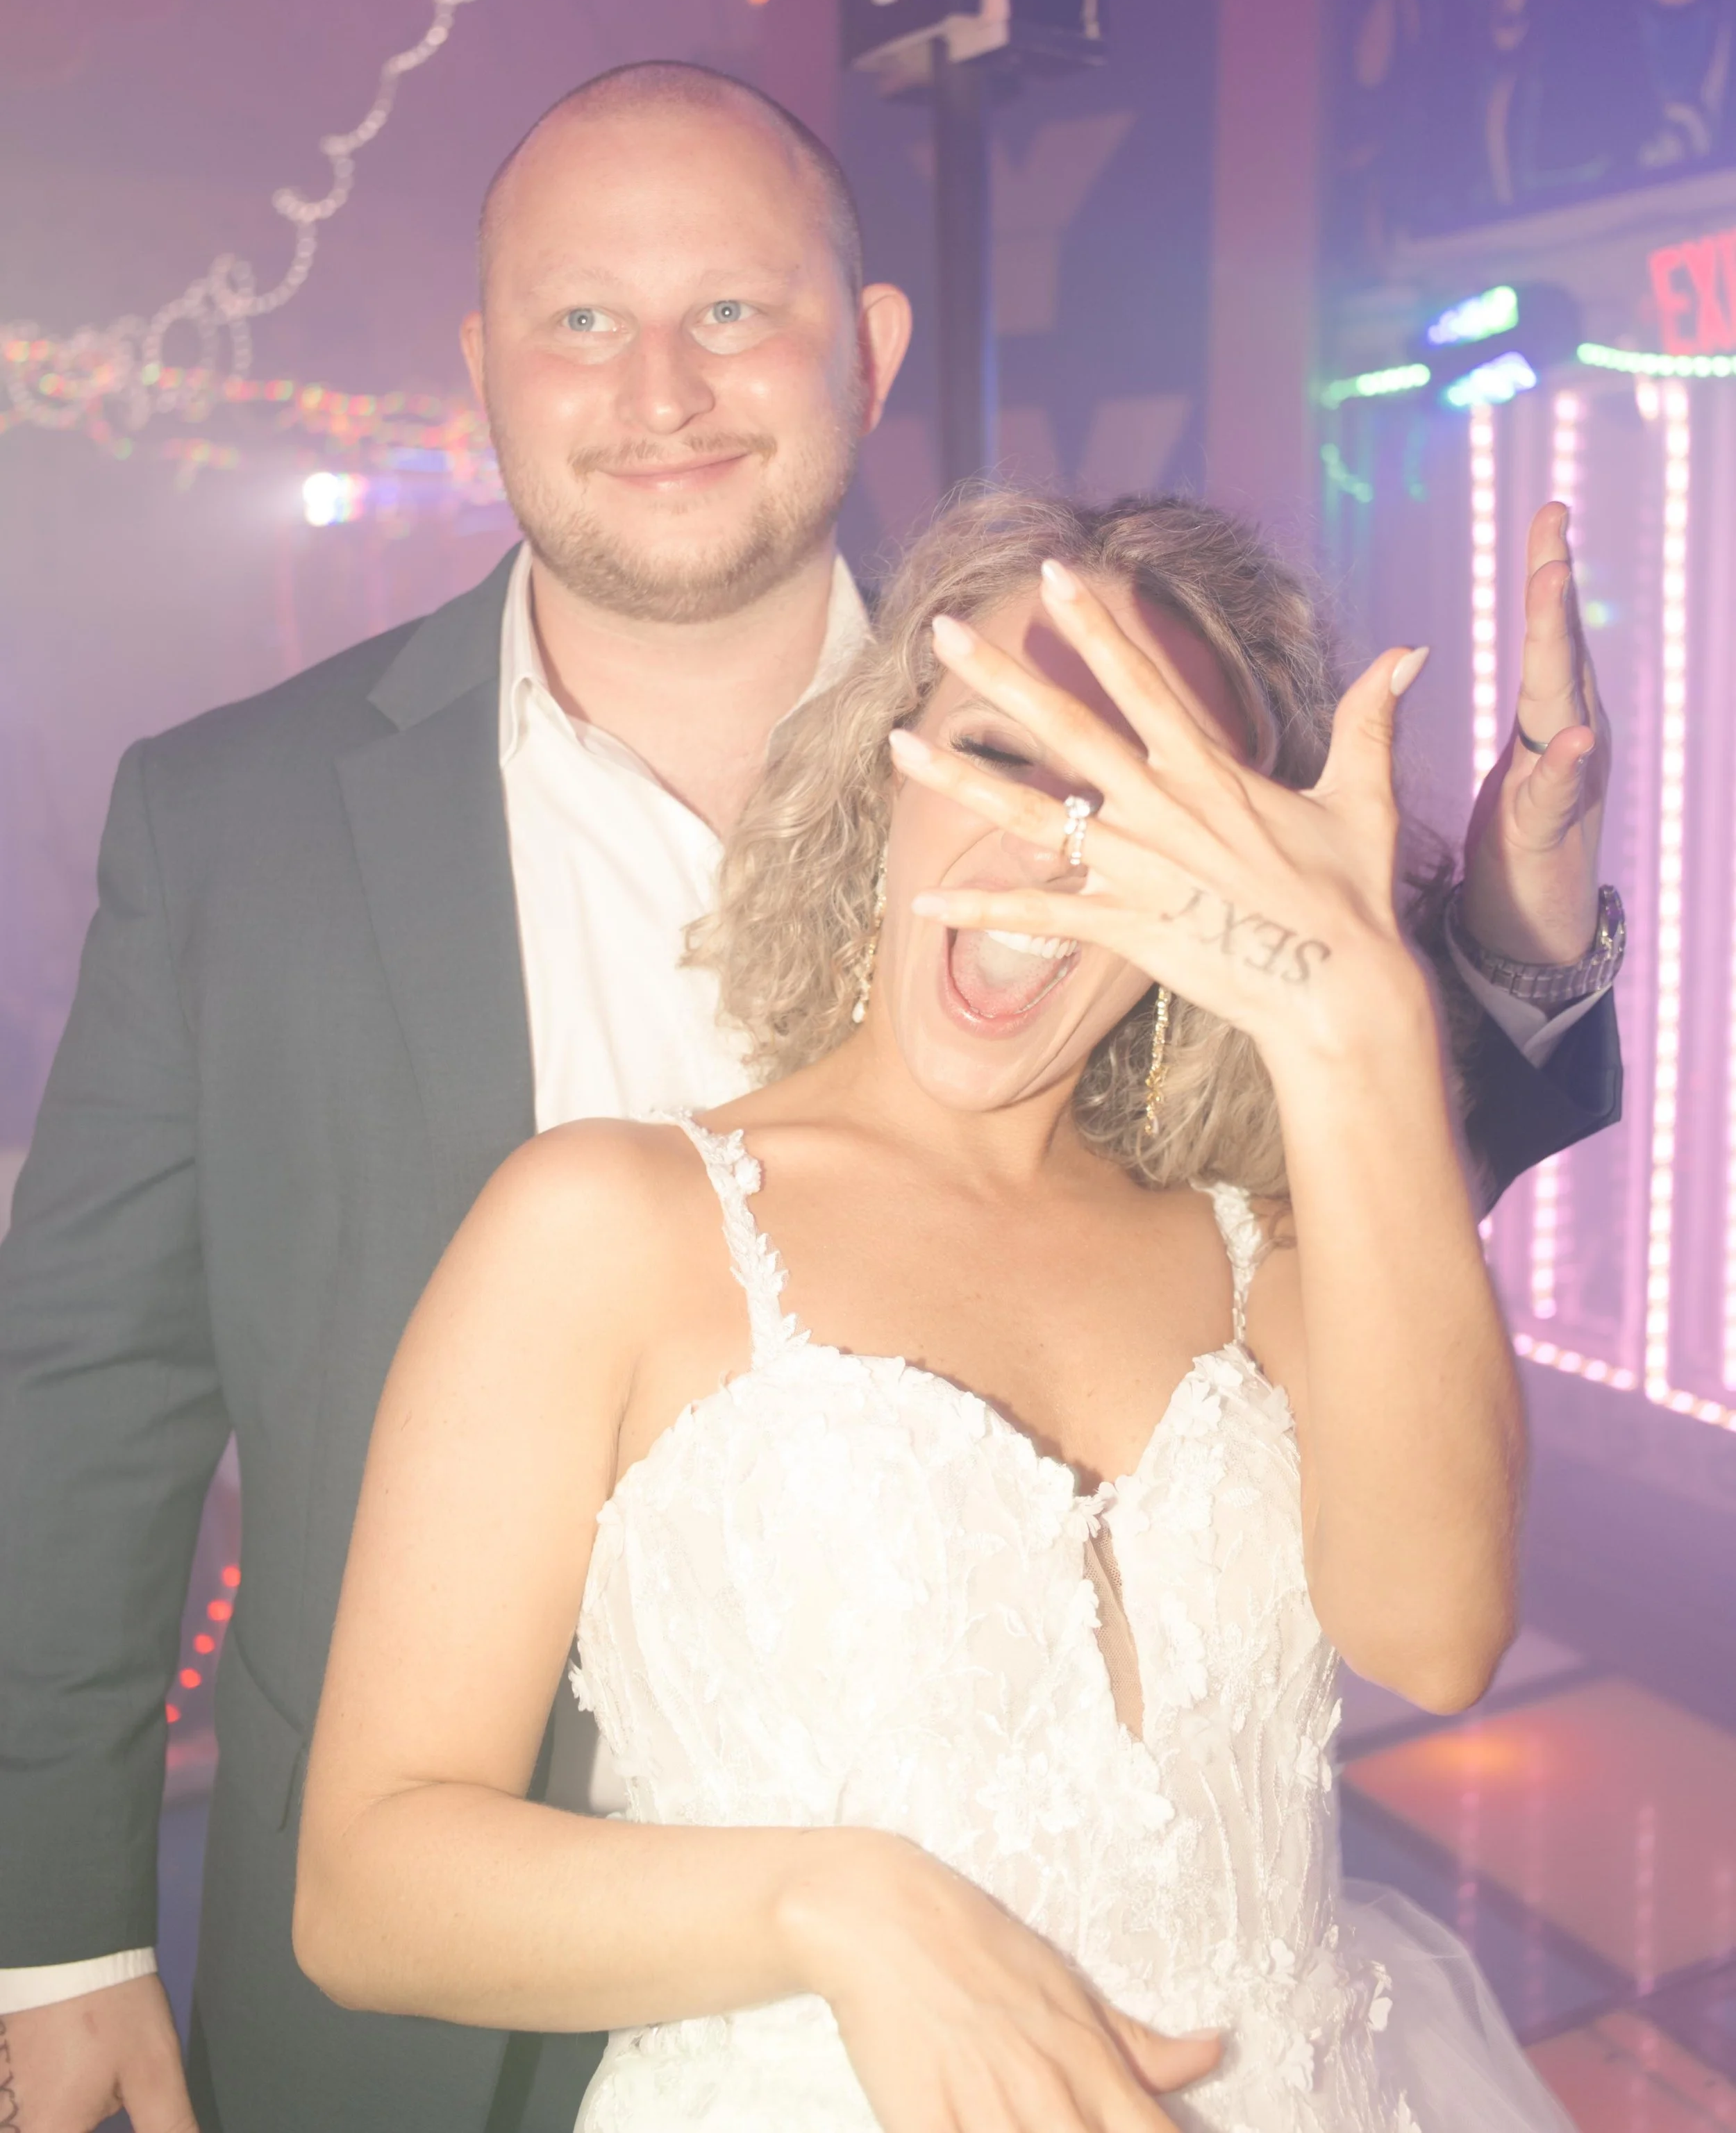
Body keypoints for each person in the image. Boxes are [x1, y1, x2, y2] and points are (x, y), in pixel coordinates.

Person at [0, 65, 1617, 2133]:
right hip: (469, 1995)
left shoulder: (1061, 714)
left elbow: (1382, 1352)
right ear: (483, 364)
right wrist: (60, 1924)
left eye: (730, 311)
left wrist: (1447, 960)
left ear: (864, 350)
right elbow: (87, 1392)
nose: (657, 386)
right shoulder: (237, 826)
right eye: (583, 317)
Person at [294, 488, 1583, 2133]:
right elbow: (367, 1889)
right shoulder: (608, 1226)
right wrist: (836, 1910)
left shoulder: (1260, 1248)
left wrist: (1359, 1028)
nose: (1044, 845)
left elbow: (1436, 1635)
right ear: (881, 776)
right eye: (997, 755)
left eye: (1133, 800)